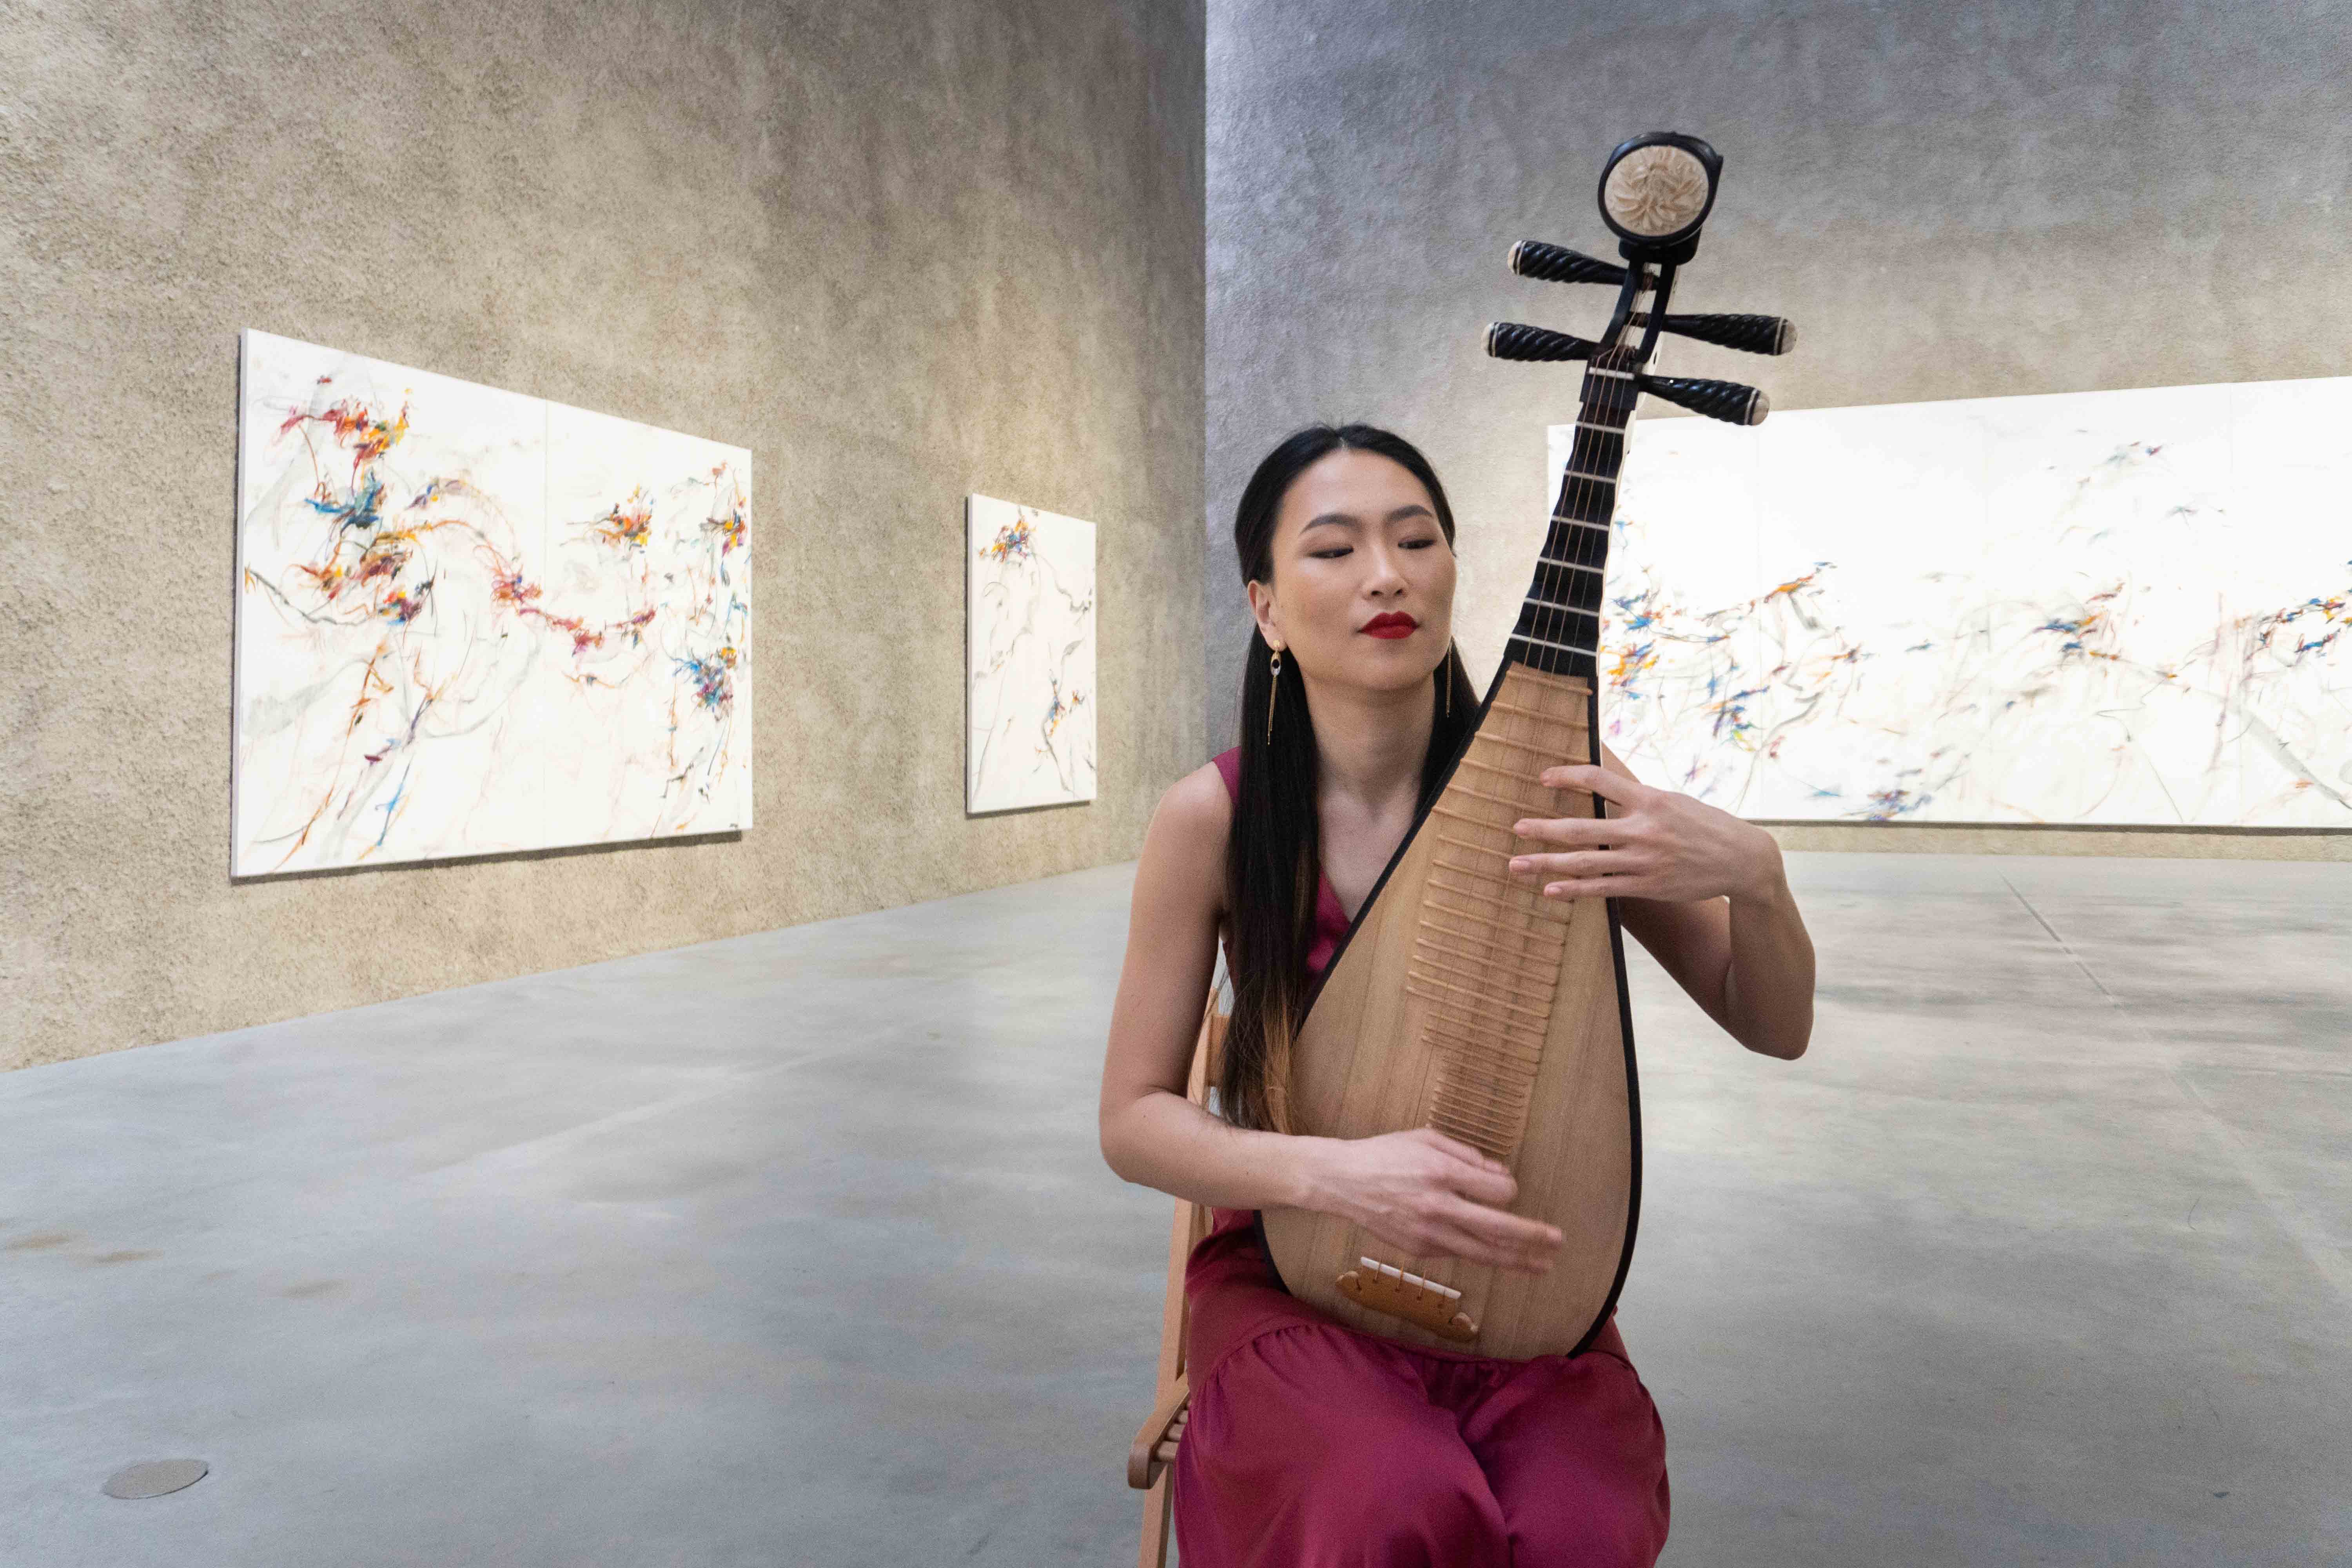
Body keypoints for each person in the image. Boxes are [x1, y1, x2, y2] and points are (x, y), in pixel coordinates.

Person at [1098, 423, 1817, 1566]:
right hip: (1298, 1279)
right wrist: (1336, 1173)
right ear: (1268, 607)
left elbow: (1773, 1025)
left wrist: (1759, 879)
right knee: (1385, 1500)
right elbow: (1132, 1121)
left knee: (1584, 1524)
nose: (1387, 574)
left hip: (1522, 1298)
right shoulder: (1216, 818)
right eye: (1334, 550)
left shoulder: (1563, 784)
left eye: (1417, 538)